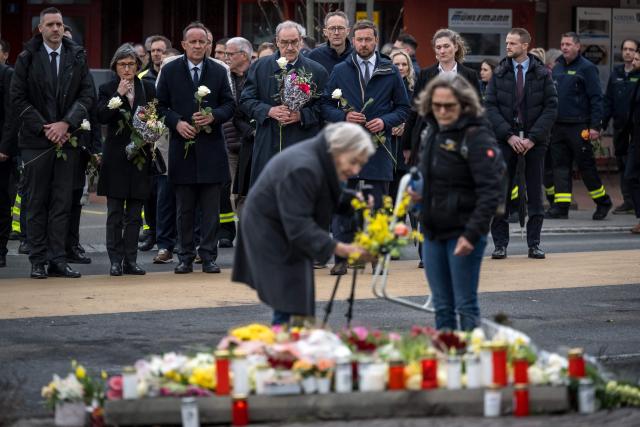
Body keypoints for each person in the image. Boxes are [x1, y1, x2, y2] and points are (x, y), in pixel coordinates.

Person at [232, 122, 374, 325]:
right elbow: (298, 225)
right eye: (353, 162)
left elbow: (321, 193)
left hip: (282, 230)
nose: (355, 170)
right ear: (338, 149)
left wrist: (351, 201)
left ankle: (292, 344)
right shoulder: (304, 167)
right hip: (270, 236)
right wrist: (341, 249)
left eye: (360, 164)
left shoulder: (320, 157)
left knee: (297, 301)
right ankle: (284, 349)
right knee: (289, 301)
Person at [409, 74, 504, 331]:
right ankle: (448, 361)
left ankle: (471, 363)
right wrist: (418, 196)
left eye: (449, 106)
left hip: (463, 232)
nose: (442, 111)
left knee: (464, 304)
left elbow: (491, 192)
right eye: (436, 105)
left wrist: (472, 235)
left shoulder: (476, 136)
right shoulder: (432, 132)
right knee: (441, 305)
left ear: (464, 105)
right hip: (432, 231)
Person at [321, 20, 410, 275]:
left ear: (375, 40)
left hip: (379, 147)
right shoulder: (340, 69)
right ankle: (341, 258)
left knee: (378, 204)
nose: (362, 44)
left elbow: (404, 108)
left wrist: (385, 121)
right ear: (354, 40)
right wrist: (344, 117)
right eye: (359, 39)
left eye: (367, 39)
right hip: (347, 146)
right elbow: (325, 106)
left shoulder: (390, 70)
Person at [11, 7, 95, 279]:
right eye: (50, 25)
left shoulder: (77, 55)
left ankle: (57, 259)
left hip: (67, 139)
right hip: (36, 142)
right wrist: (45, 127)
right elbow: (18, 99)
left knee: (62, 203)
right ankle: (38, 260)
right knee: (36, 202)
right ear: (40, 29)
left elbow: (87, 95)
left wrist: (66, 124)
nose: (56, 29)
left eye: (59, 24)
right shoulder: (27, 58)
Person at [157, 22, 235, 274]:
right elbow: (159, 107)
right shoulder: (170, 70)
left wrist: (214, 117)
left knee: (211, 210)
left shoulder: (219, 70)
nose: (198, 46)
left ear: (208, 45)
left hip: (212, 150)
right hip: (182, 149)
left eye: (203, 42)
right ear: (183, 44)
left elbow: (230, 105)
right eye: (194, 41)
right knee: (184, 209)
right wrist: (176, 123)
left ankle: (209, 256)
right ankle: (185, 256)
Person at [486, 28, 558, 260]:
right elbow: (490, 107)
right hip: (505, 140)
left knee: (535, 193)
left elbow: (551, 107)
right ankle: (500, 245)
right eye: (507, 42)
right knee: (501, 193)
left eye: (512, 43)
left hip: (534, 142)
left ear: (525, 45)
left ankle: (534, 244)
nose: (507, 46)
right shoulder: (500, 71)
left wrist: (532, 138)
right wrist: (509, 136)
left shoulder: (542, 73)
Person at [240, 20, 328, 186]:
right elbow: (245, 100)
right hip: (268, 141)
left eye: (294, 42)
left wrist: (302, 115)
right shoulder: (259, 67)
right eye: (285, 42)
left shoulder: (317, 71)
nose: (289, 47)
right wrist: (268, 110)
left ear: (301, 41)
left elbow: (324, 107)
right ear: (277, 42)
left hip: (302, 140)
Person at [96, 44, 155, 276]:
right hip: (116, 159)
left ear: (138, 66)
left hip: (140, 157)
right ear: (115, 66)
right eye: (123, 64)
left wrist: (151, 131)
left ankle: (131, 259)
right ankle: (115, 260)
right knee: (114, 214)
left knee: (134, 215)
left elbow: (155, 117)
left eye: (131, 64)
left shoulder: (148, 88)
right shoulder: (107, 88)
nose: (127, 69)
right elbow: (102, 116)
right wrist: (118, 94)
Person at [548, 32, 612, 220]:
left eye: (568, 44)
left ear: (578, 47)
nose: (565, 47)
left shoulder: (587, 68)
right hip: (558, 127)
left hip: (580, 127)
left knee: (586, 167)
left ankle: (603, 202)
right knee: (560, 167)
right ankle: (561, 207)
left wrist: (595, 126)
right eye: (562, 43)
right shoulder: (557, 66)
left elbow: (596, 99)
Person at [402, 29, 480, 167]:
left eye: (446, 46)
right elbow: (414, 109)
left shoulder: (469, 75)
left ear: (455, 47)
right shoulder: (425, 74)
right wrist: (407, 145)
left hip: (461, 137)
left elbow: (478, 110)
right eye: (438, 47)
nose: (442, 51)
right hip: (428, 136)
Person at [137, 35, 171, 253]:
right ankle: (151, 233)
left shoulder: (173, 74)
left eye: (161, 50)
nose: (157, 54)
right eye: (153, 51)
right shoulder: (143, 77)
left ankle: (166, 235)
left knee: (166, 191)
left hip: (168, 138)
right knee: (149, 192)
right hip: (149, 140)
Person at [603, 39, 640, 215]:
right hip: (620, 127)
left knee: (634, 166)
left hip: (635, 128)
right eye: (625, 49)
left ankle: (636, 201)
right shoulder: (616, 73)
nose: (627, 53)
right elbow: (608, 100)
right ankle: (628, 201)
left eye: (631, 50)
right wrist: (601, 123)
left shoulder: (638, 73)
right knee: (623, 164)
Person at [223, 37, 254, 216]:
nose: (226, 58)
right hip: (230, 142)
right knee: (234, 191)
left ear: (243, 55)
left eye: (230, 54)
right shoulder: (224, 76)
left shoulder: (258, 75)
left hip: (254, 141)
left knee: (252, 188)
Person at [0, 56, 17, 268]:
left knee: (2, 201)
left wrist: (5, 147)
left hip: (1, 151)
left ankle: (0, 249)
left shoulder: (6, 74)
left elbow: (11, 114)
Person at [623, 47, 640, 233]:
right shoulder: (636, 81)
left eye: (636, 59)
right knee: (631, 176)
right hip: (635, 137)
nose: (633, 62)